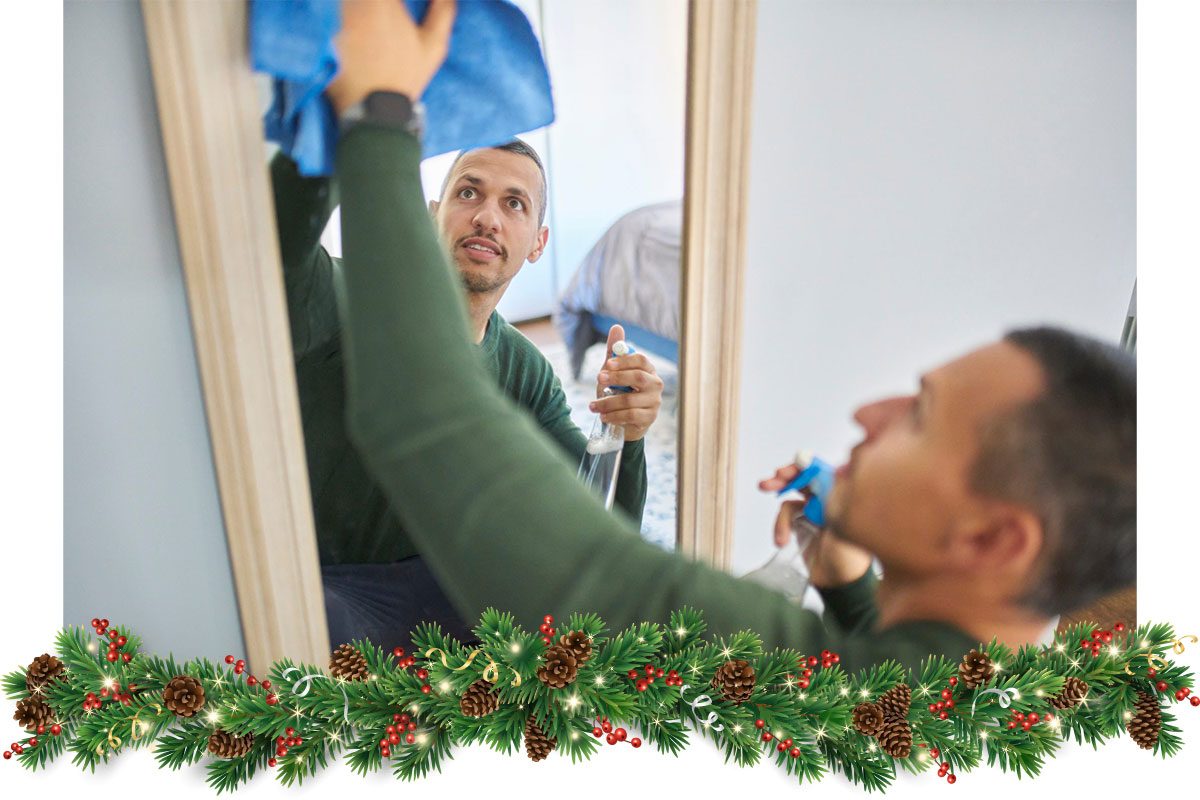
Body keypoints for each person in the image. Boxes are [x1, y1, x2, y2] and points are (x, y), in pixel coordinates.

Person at [319, 0, 1136, 671]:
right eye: (468, 193)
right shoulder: (981, 687)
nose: (870, 412)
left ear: (993, 538)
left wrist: (380, 113)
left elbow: (431, 422)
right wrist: (848, 587)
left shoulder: (769, 654)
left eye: (919, 415)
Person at [271, 39, 664, 647]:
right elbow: (281, 251)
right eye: (468, 193)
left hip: (443, 593)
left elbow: (599, 523)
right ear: (435, 213)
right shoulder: (347, 295)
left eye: (514, 204)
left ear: (536, 242)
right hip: (325, 586)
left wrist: (626, 434)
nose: (487, 217)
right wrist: (347, 109)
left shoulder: (525, 371)